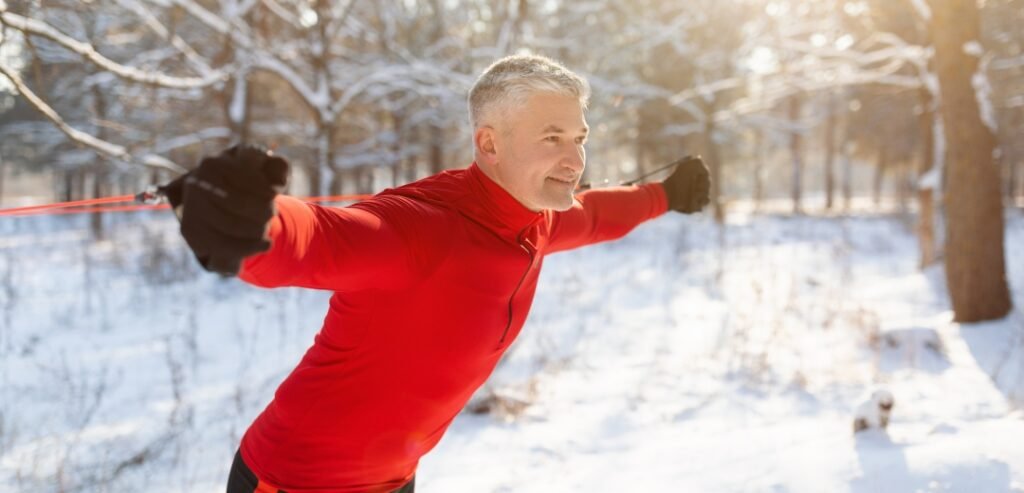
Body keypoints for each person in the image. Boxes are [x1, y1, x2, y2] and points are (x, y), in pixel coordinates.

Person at [165, 54, 710, 493]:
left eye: (579, 138)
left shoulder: (536, 219)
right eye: (552, 138)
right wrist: (257, 223)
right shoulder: (422, 229)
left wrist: (664, 194)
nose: (574, 159)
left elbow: (593, 215)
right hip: (296, 482)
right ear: (489, 143)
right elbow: (323, 238)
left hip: (395, 479)